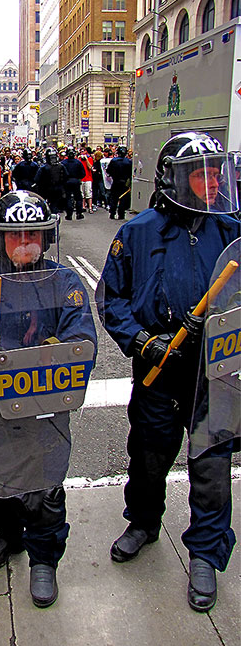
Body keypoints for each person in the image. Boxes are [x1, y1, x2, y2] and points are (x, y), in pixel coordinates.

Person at [96, 132, 240, 613]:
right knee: (149, 456)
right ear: (175, 179)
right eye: (202, 172)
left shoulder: (231, 228)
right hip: (160, 369)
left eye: (217, 170)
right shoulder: (138, 231)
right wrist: (142, 341)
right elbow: (110, 298)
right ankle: (143, 522)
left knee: (213, 467)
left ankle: (205, 552)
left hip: (215, 375)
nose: (214, 180)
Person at [0, 190, 97, 608]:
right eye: (14, 235)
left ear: (46, 237)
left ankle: (45, 556)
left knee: (45, 482)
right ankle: (9, 533)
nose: (24, 242)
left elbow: (83, 340)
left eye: (33, 234)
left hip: (43, 401)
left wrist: (52, 356)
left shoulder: (65, 282)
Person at [34, 147, 66, 214]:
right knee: (54, 204)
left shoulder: (44, 167)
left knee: (45, 203)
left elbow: (37, 179)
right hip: (55, 188)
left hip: (47, 189)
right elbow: (66, 176)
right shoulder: (61, 166)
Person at [107, 145, 132, 220]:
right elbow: (130, 172)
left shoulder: (114, 161)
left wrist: (112, 174)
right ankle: (121, 213)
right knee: (123, 198)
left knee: (114, 197)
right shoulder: (128, 162)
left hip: (116, 181)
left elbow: (108, 171)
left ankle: (112, 212)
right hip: (124, 182)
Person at [62, 147, 85, 220]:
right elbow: (83, 173)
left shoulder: (63, 163)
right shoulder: (78, 162)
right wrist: (78, 178)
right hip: (76, 181)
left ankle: (69, 214)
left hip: (67, 181)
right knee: (78, 197)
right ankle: (79, 213)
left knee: (68, 198)